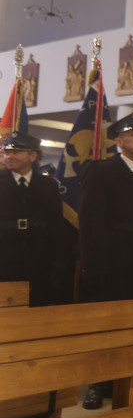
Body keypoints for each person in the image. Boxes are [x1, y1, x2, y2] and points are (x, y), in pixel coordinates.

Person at [78, 113, 133, 408]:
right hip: (112, 259)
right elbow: (90, 221)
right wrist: (94, 265)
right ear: (118, 141)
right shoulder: (101, 170)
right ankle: (96, 382)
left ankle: (124, 380)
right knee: (105, 325)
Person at [0, 131, 64, 306]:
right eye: (6, 152)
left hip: (39, 255)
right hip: (5, 255)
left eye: (16, 152)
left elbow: (56, 223)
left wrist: (57, 259)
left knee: (38, 303)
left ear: (32, 156)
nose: (9, 156)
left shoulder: (48, 185)